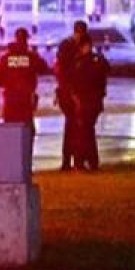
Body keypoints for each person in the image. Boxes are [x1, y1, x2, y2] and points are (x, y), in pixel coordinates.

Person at [0, 27, 46, 128]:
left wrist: (10, 85)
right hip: (26, 100)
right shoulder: (31, 57)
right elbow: (44, 69)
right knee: (27, 131)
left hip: (10, 99)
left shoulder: (6, 58)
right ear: (26, 40)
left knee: (10, 130)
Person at [71, 36, 109, 171]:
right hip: (94, 100)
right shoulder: (98, 60)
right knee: (88, 131)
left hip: (86, 101)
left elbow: (76, 82)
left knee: (84, 131)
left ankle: (83, 161)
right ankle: (89, 161)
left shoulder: (81, 62)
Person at [54, 20, 88, 170]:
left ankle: (73, 160)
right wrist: (72, 93)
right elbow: (65, 72)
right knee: (73, 127)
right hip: (69, 93)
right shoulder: (68, 47)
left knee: (74, 127)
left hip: (70, 92)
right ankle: (71, 161)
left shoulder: (69, 45)